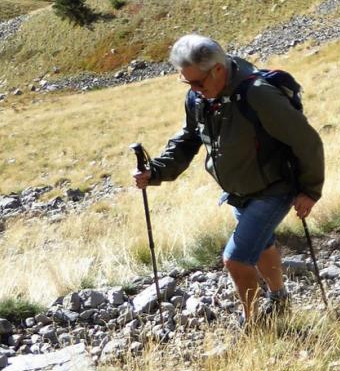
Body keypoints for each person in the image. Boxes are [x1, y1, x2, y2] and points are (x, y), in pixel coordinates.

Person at [133, 35, 324, 326]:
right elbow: (188, 140)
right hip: (239, 191)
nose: (194, 90)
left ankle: (254, 324)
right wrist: (156, 171)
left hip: (274, 188)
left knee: (235, 259)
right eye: (187, 83)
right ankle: (279, 298)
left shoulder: (257, 95)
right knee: (262, 245)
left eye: (198, 83)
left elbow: (307, 141)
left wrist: (310, 191)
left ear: (218, 70)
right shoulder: (199, 97)